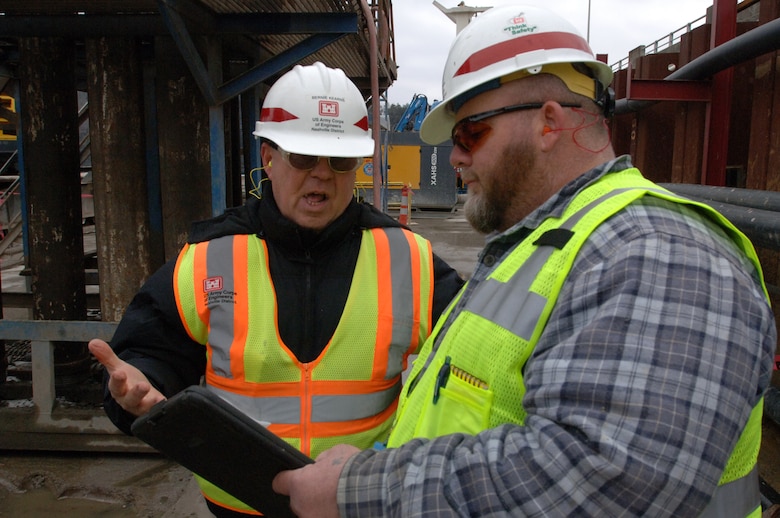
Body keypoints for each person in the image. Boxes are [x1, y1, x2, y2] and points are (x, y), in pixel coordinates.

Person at [272, 6, 777, 518]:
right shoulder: (541, 246)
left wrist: (358, 490)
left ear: (548, 122)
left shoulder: (660, 254)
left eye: (470, 133)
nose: (455, 159)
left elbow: (602, 479)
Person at [88, 61, 465, 517]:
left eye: (341, 160)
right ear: (269, 158)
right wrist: (140, 389)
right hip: (240, 504)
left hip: (355, 503)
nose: (322, 174)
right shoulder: (210, 256)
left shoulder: (409, 259)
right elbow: (153, 353)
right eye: (304, 157)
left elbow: (471, 370)